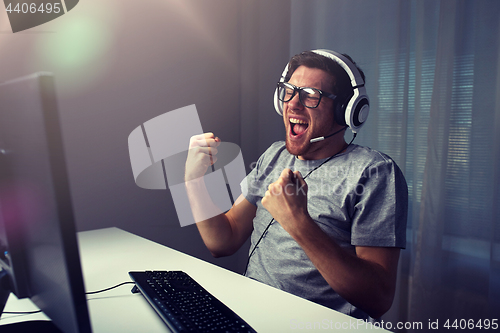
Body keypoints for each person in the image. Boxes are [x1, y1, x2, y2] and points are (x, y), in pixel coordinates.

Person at [184, 50, 408, 321]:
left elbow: (379, 298)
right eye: (288, 91)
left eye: (311, 95)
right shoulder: (274, 155)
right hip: (250, 317)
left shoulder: (374, 173)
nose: (293, 104)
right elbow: (222, 240)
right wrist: (193, 180)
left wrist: (298, 221)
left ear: (346, 111)